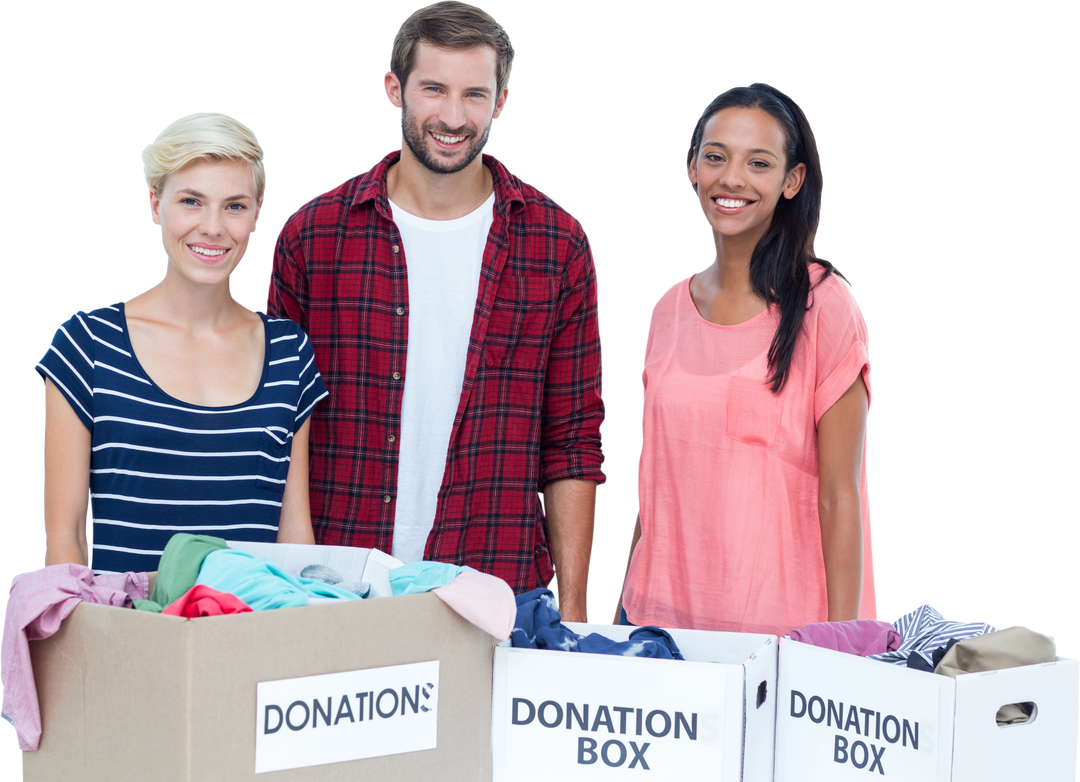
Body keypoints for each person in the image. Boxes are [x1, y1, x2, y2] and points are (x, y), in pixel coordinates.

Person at [265, 1, 606, 621]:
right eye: (433, 89)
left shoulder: (558, 244)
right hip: (339, 590)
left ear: (502, 99)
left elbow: (573, 441)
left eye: (474, 93)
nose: (453, 117)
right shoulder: (312, 238)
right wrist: (292, 584)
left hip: (493, 590)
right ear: (393, 88)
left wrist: (575, 616)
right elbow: (281, 425)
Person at [615, 80, 876, 637]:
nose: (731, 179)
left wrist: (844, 648)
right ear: (691, 167)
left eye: (758, 163)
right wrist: (621, 620)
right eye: (716, 157)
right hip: (657, 627)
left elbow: (840, 497)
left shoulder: (824, 307)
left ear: (791, 180)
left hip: (780, 639)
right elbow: (654, 489)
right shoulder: (666, 310)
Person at [34, 110, 328, 574]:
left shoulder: (289, 352)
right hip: (128, 636)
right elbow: (66, 541)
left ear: (257, 213)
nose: (213, 227)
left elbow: (294, 536)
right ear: (154, 203)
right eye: (191, 201)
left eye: (235, 205)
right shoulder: (87, 345)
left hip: (256, 636)